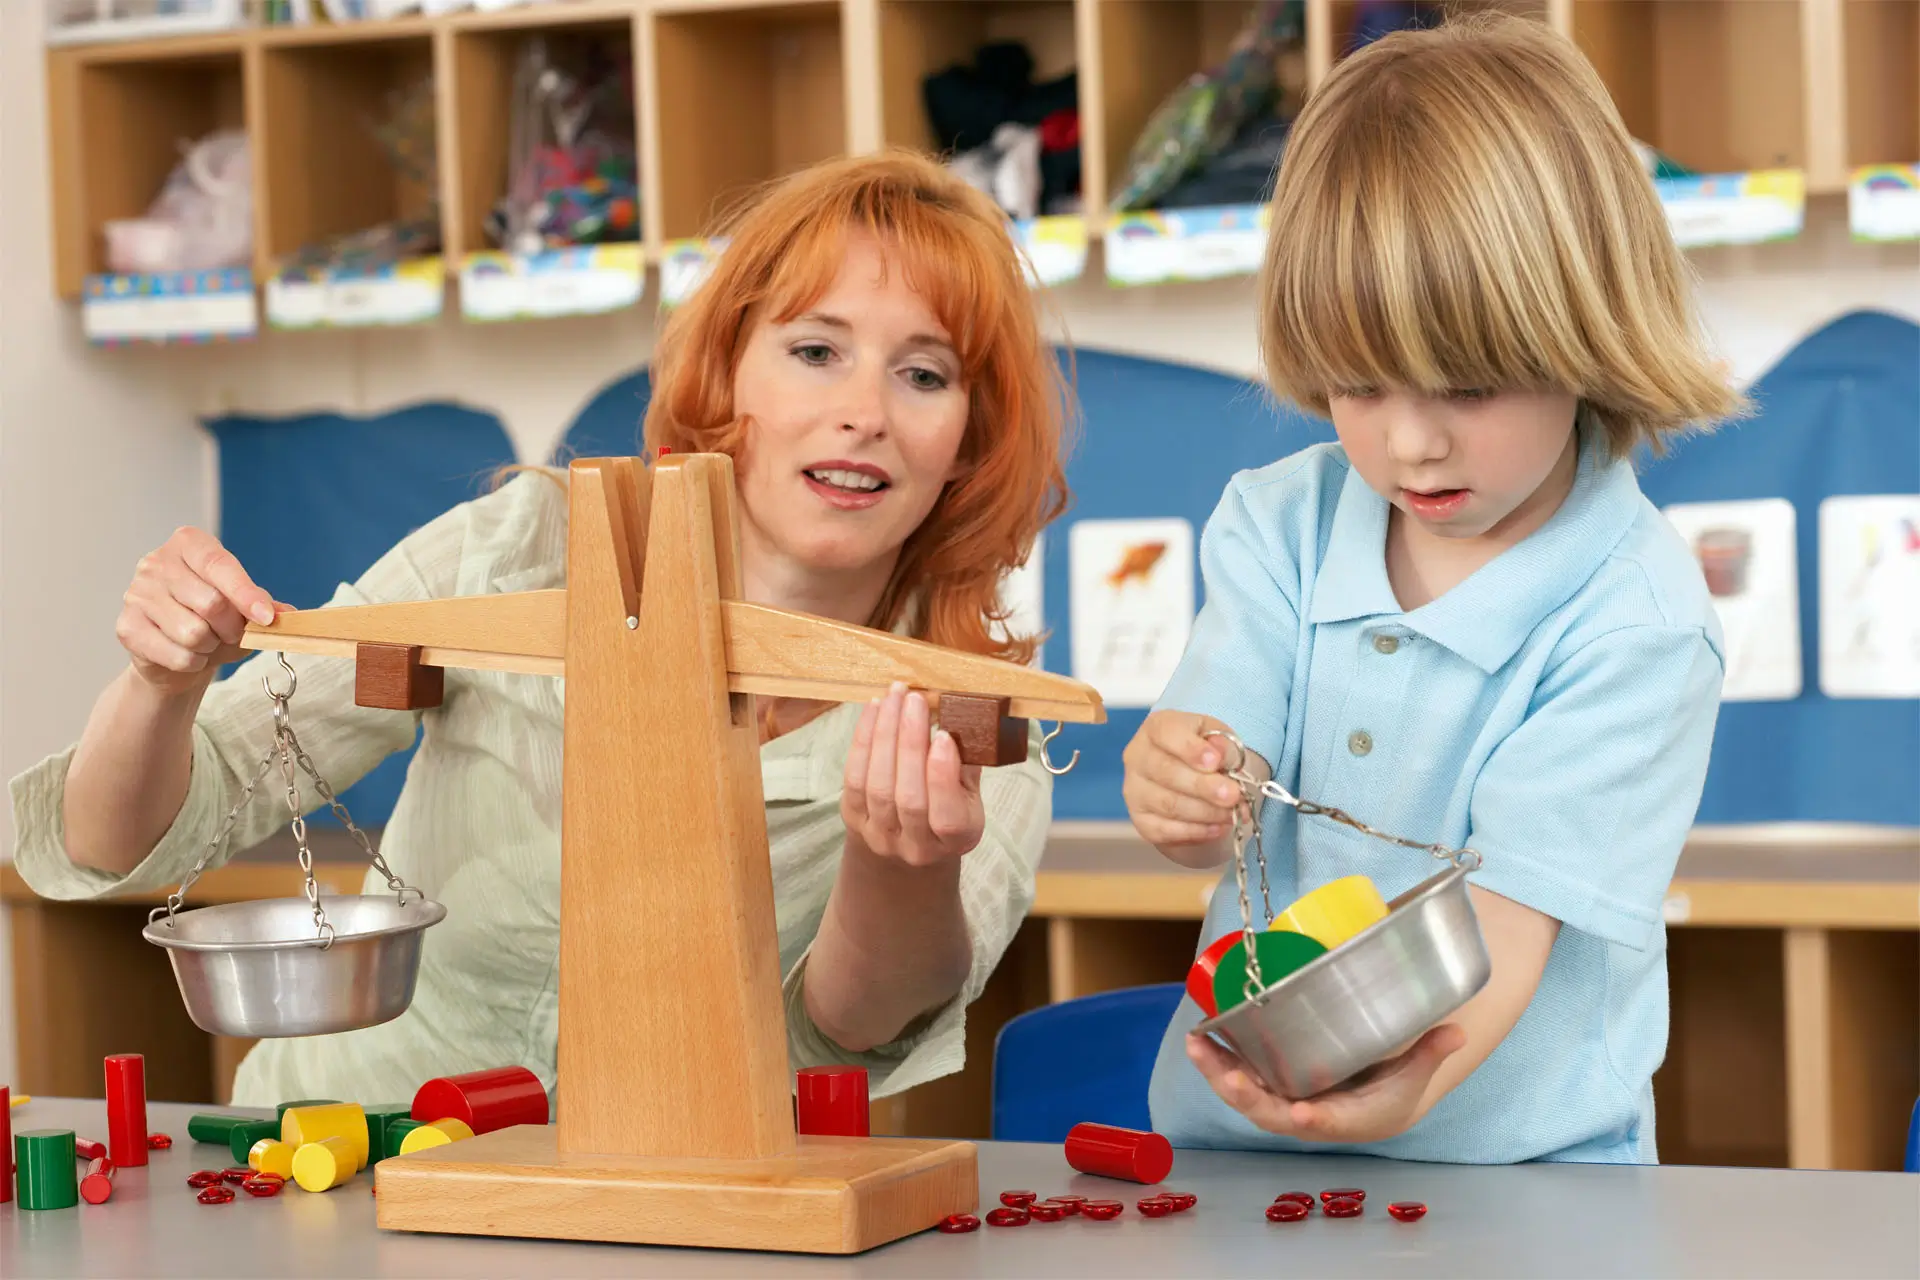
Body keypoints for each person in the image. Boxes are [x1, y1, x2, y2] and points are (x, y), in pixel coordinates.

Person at [8, 149, 1072, 1109]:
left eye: (923, 374)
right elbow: (121, 841)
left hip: (681, 1224)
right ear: (728, 367)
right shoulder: (521, 552)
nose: (866, 412)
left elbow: (846, 1027)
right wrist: (158, 683)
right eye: (815, 350)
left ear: (968, 440)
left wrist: (902, 864)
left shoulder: (982, 728)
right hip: (348, 1170)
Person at [1123, 14, 1742, 1164]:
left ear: (1586, 334)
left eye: (1468, 384)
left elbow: (1502, 925)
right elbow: (1221, 762)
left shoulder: (1636, 618)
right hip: (1240, 1154)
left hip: (1524, 1177)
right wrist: (1179, 781)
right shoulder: (1280, 522)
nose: (1413, 445)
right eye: (1359, 385)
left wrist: (1404, 1090)